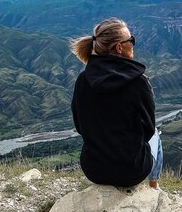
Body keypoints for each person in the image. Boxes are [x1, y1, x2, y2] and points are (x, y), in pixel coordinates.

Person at [70, 18, 163, 189]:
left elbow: (79, 125)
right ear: (119, 47)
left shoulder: (83, 79)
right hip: (132, 171)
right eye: (131, 40)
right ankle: (154, 187)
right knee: (156, 134)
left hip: (94, 170)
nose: (133, 43)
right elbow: (148, 129)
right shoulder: (138, 82)